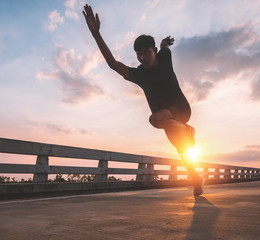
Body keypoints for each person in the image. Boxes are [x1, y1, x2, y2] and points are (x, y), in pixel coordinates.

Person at [82, 4, 204, 196]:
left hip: (181, 110)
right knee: (183, 150)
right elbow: (113, 64)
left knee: (154, 119)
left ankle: (189, 129)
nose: (143, 57)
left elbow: (164, 46)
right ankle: (196, 178)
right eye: (139, 54)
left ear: (154, 51)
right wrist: (96, 34)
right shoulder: (139, 74)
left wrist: (164, 42)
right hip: (168, 121)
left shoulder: (164, 56)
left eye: (146, 52)